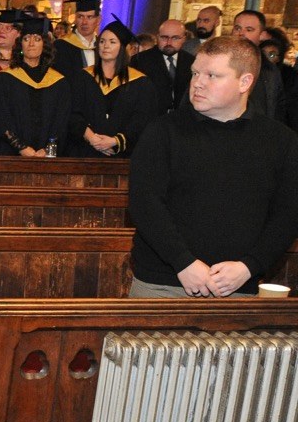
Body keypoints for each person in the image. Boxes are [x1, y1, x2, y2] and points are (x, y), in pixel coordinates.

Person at [128, 35, 298, 298]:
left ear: (245, 82)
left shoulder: (280, 140)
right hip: (164, 283)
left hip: (238, 285)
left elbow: (288, 213)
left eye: (212, 76)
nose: (198, 83)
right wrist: (182, 261)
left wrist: (249, 266)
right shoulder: (163, 130)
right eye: (195, 73)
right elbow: (144, 202)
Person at [66, 19, 157, 158]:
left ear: (123, 48)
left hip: (122, 155)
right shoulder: (83, 77)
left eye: (112, 42)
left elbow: (141, 120)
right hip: (85, 152)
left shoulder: (140, 83)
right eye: (102, 41)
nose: (105, 46)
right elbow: (73, 113)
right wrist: (92, 138)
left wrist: (115, 141)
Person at [0, 18, 71, 156]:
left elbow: (62, 122)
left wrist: (47, 149)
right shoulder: (4, 79)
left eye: (37, 39)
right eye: (26, 39)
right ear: (20, 44)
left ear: (44, 44)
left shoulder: (59, 82)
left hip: (47, 157)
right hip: (11, 155)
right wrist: (21, 147)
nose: (31, 44)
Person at [231, 10, 286, 122]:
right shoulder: (217, 62)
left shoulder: (270, 71)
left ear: (262, 35)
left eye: (249, 29)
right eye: (237, 28)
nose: (241, 33)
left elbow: (277, 109)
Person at [130, 18, 194, 114]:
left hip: (181, 121)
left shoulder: (191, 62)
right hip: (149, 120)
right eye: (164, 37)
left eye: (175, 38)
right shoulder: (139, 61)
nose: (169, 43)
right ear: (157, 37)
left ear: (184, 38)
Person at [53, 0, 105, 74]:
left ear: (98, 20)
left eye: (89, 17)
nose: (84, 22)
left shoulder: (103, 46)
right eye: (80, 17)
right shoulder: (61, 45)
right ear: (75, 19)